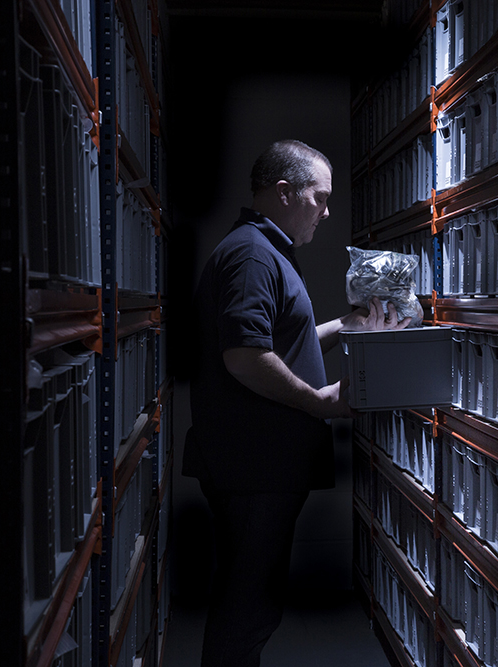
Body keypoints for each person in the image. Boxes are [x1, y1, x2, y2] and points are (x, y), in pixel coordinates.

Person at [183, 139, 409, 666]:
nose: (327, 212)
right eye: (320, 198)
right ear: (285, 193)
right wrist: (317, 402)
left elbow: (283, 337)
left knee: (253, 604)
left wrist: (345, 325)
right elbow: (243, 354)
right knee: (247, 610)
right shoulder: (251, 256)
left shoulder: (265, 252)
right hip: (253, 469)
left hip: (259, 468)